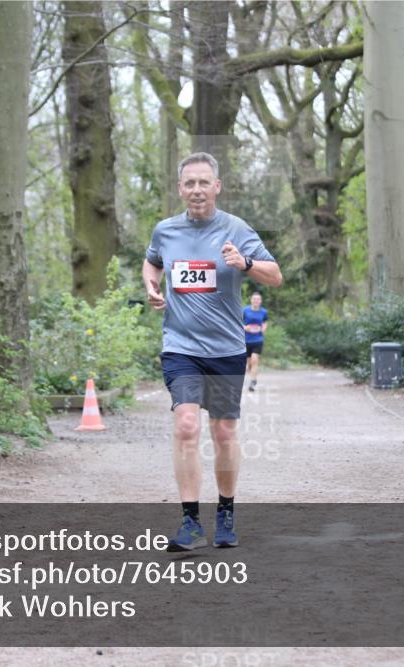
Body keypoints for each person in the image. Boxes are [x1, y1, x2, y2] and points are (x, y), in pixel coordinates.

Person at [143, 152, 282, 551]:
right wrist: (152, 288)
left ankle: (225, 512)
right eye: (190, 183)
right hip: (180, 347)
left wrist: (246, 262)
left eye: (205, 182)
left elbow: (275, 276)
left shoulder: (236, 229)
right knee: (186, 426)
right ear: (180, 188)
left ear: (217, 186)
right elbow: (152, 263)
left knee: (223, 432)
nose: (197, 190)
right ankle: (189, 522)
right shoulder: (165, 231)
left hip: (225, 349)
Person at [243, 292, 268, 392]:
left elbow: (265, 322)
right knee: (248, 364)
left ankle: (253, 381)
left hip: (258, 339)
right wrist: (245, 328)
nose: (256, 301)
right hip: (246, 340)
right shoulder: (245, 310)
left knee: (254, 360)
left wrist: (263, 328)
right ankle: (251, 374)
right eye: (254, 299)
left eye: (258, 299)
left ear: (260, 301)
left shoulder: (263, 312)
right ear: (251, 300)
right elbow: (238, 322)